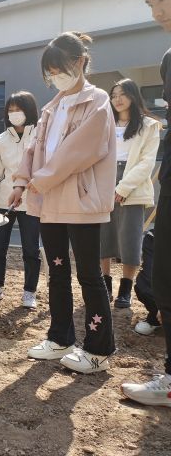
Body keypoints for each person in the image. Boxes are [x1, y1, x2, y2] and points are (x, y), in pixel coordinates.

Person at [10, 31, 116, 374]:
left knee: (89, 274)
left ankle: (99, 348)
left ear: (80, 62)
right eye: (49, 72)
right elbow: (33, 149)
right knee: (56, 270)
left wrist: (38, 181)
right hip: (50, 201)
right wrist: (21, 181)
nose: (54, 77)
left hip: (82, 203)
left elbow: (78, 152)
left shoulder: (97, 101)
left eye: (59, 69)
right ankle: (60, 338)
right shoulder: (51, 108)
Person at [121, 0, 171, 406]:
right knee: (164, 274)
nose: (157, 10)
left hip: (138, 195)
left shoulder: (146, 126)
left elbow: (141, 161)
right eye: (150, 3)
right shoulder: (168, 60)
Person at [100, 79, 161, 308]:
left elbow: (147, 162)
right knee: (102, 235)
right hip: (104, 181)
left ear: (134, 96)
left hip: (132, 184)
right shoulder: (105, 123)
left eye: (122, 94)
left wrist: (123, 188)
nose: (117, 99)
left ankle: (125, 288)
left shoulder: (149, 126)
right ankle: (105, 285)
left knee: (130, 238)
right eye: (114, 94)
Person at [0, 91, 41, 309]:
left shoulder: (39, 136)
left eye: (19, 109)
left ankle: (29, 292)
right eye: (11, 110)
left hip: (32, 204)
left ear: (30, 111)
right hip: (3, 206)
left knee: (31, 250)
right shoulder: (0, 140)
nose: (15, 114)